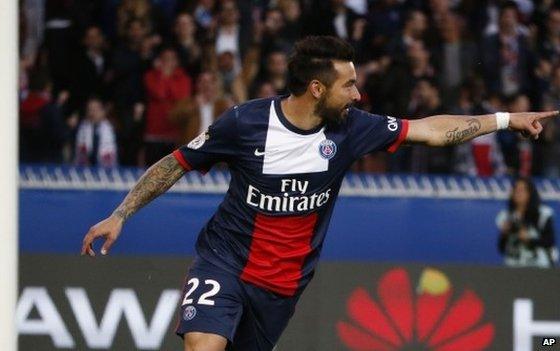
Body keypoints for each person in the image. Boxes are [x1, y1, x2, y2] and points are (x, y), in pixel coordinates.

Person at [81, 36, 557, 351]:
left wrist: (503, 120)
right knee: (204, 345)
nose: (357, 94)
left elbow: (431, 131)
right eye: (348, 84)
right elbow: (176, 163)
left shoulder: (352, 130)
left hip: (282, 284)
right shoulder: (245, 123)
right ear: (315, 88)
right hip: (224, 259)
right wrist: (121, 213)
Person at [496, 177, 558, 268]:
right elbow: (502, 248)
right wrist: (504, 234)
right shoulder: (506, 216)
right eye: (515, 190)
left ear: (530, 193)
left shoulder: (543, 214)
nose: (518, 193)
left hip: (539, 266)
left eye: (522, 190)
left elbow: (549, 241)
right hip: (514, 266)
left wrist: (528, 239)